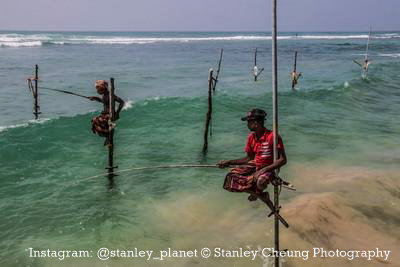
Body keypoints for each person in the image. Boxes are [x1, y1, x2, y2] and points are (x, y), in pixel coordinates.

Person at [218, 108, 287, 204]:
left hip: (270, 167)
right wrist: (229, 162)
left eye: (249, 122)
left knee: (261, 181)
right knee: (231, 176)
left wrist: (263, 170)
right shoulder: (251, 137)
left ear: (256, 123)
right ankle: (259, 194)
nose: (247, 124)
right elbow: (249, 158)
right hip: (256, 164)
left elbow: (283, 160)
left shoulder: (273, 136)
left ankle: (257, 192)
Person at [90, 80, 125, 145]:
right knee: (94, 122)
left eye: (98, 89)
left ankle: (108, 136)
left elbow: (122, 102)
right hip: (105, 114)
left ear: (102, 89)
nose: (97, 91)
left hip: (109, 115)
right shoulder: (104, 95)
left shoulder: (111, 95)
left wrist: (117, 113)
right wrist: (95, 98)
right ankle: (107, 136)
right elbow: (104, 101)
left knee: (96, 120)